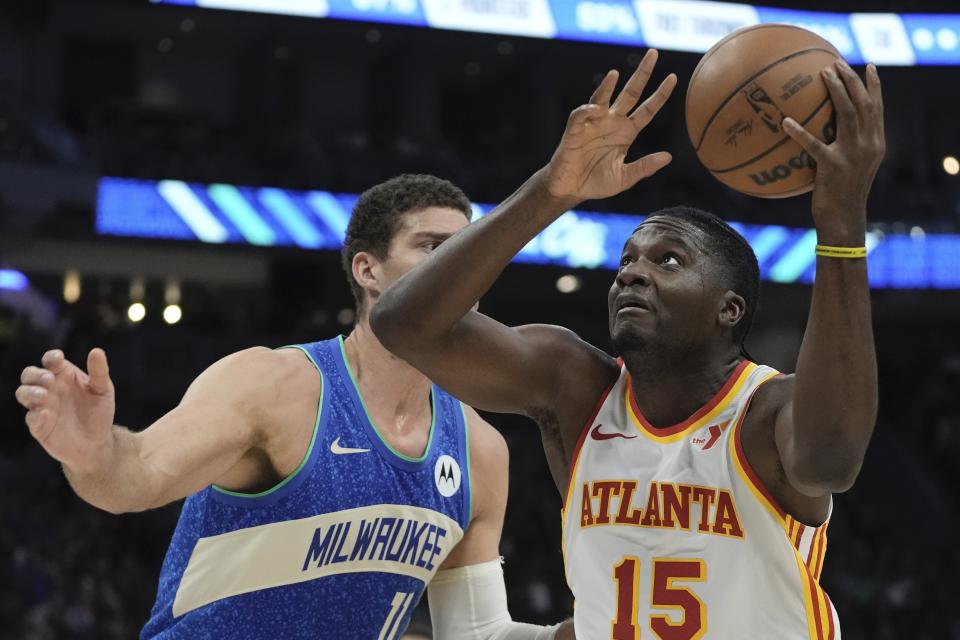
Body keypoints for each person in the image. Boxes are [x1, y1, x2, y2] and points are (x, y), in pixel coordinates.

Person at [371, 49, 884, 639]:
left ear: (729, 309)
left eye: (668, 260)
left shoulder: (767, 413)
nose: (632, 274)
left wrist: (842, 223)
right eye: (627, 260)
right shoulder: (574, 386)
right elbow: (404, 323)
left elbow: (834, 461)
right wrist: (553, 191)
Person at [15, 175, 574, 639]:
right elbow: (134, 477)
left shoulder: (480, 450)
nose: (460, 269)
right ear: (367, 271)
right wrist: (92, 451)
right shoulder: (273, 385)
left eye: (470, 252)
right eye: (434, 248)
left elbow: (475, 633)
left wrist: (590, 630)